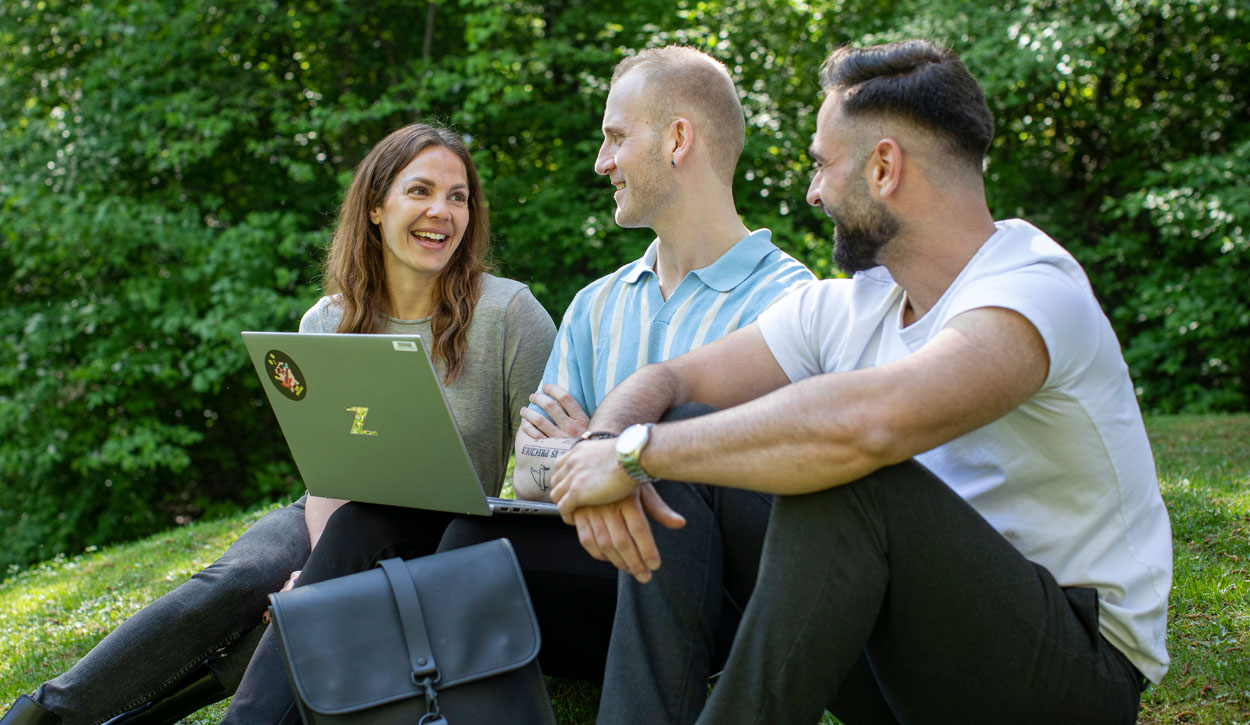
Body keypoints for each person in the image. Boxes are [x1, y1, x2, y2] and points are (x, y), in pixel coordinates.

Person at [550, 39, 1172, 724]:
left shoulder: (1031, 288)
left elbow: (865, 427)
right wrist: (609, 443)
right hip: (918, 662)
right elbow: (669, 376)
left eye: (821, 164)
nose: (813, 191)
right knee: (687, 441)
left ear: (883, 167)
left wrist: (635, 453)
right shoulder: (852, 305)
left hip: (1070, 679)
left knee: (847, 479)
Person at [1, 122, 555, 725]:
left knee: (301, 612)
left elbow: (544, 463)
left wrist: (317, 590)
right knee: (238, 580)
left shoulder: (510, 313)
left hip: (445, 536)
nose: (441, 212)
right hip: (329, 509)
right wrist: (319, 568)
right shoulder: (327, 320)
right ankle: (43, 715)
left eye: (458, 196)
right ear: (375, 206)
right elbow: (329, 472)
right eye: (419, 191)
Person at [433, 42, 814, 718]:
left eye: (615, 138)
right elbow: (531, 474)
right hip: (594, 573)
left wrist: (611, 451)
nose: (601, 161)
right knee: (467, 549)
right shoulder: (596, 303)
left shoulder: (790, 301)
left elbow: (743, 482)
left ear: (677, 140)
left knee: (675, 464)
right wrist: (595, 458)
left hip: (716, 596)